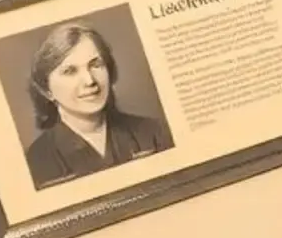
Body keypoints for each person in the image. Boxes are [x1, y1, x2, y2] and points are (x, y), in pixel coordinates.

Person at [23, 22, 172, 189]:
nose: (90, 80)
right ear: (46, 89)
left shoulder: (153, 133)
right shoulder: (35, 162)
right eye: (70, 71)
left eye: (96, 65)